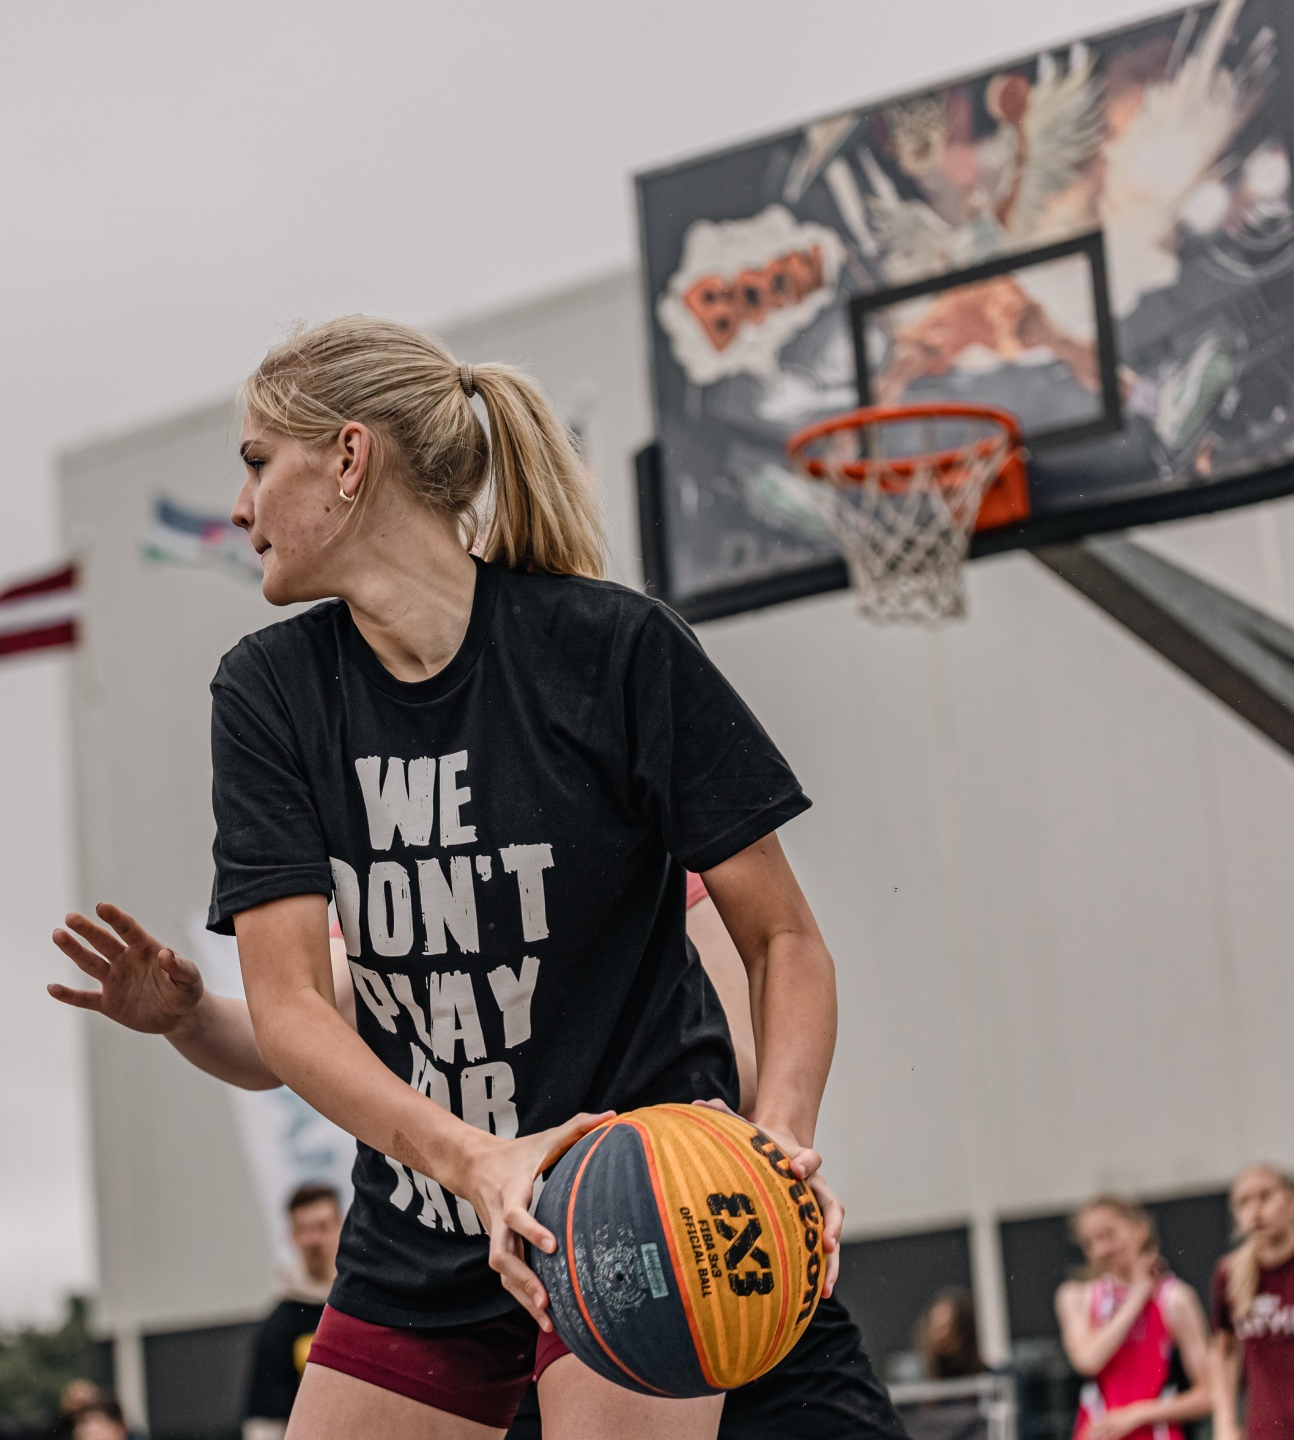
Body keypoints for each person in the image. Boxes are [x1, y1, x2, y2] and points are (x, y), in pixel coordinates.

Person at [48, 317, 903, 1439]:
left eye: (257, 463)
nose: (242, 507)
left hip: (628, 1202)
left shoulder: (615, 651)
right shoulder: (269, 694)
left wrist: (778, 1142)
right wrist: (474, 1162)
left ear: (349, 459)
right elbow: (294, 1010)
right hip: (426, 1215)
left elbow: (782, 940)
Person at [1055, 1196, 1212, 1440]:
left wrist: (1137, 1415)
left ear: (1139, 1230)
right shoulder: (1076, 1296)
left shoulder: (1174, 1298)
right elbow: (1088, 1360)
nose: (1100, 1250)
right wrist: (1137, 1296)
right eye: (1090, 1242)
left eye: (1108, 1235)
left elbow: (1208, 1395)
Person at [243, 1184, 344, 1440]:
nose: (314, 1240)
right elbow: (264, 1422)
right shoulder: (280, 1324)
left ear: (342, 1228)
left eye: (322, 1227)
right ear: (292, 1236)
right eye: (304, 1230)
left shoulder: (367, 1303)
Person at [1212, 1165, 1294, 1440]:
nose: (1255, 1210)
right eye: (1244, 1202)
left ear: (1291, 1202)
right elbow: (1223, 1352)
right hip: (1264, 1429)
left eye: (1265, 1196)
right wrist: (1224, 1423)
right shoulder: (1229, 1273)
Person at [914, 1288, 985, 1381]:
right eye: (934, 1324)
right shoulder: (921, 1376)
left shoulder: (985, 1379)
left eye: (944, 1327)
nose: (936, 1333)